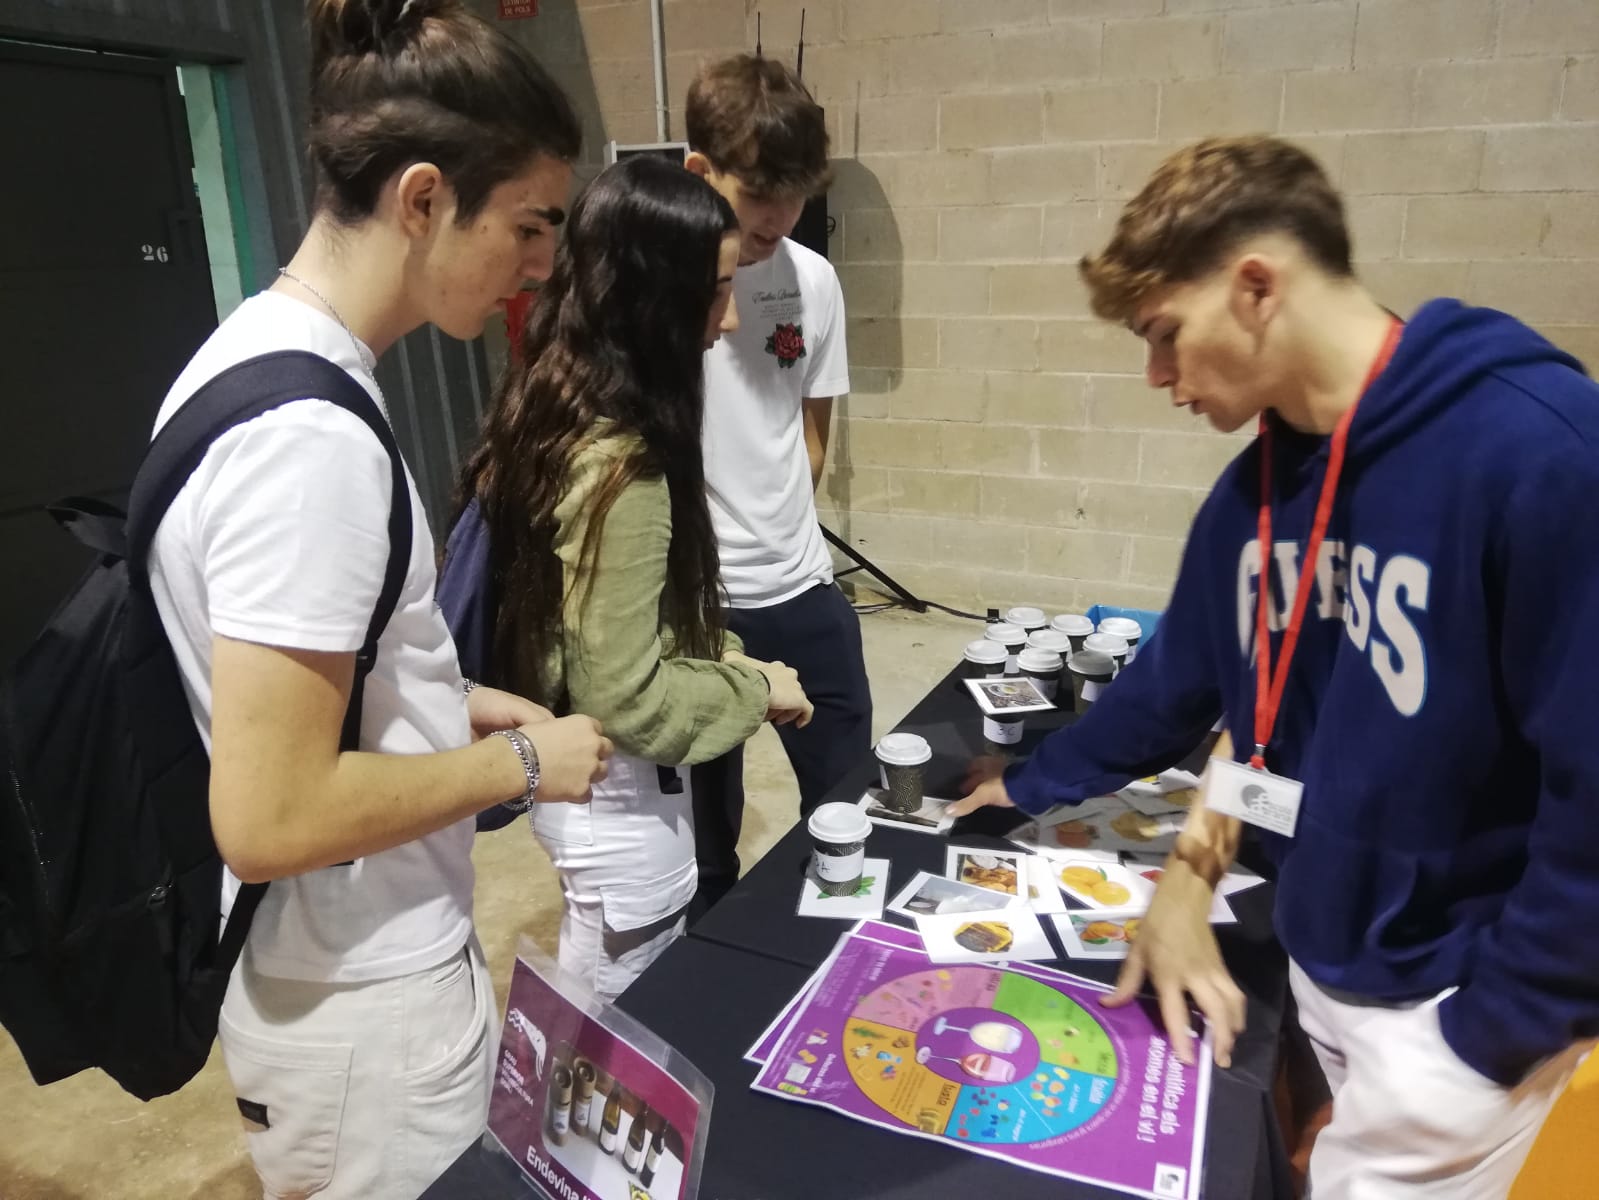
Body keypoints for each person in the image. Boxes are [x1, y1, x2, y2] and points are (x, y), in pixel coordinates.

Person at [952, 135, 1599, 1198]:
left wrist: (1487, 1038)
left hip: (1458, 1002)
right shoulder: (1251, 499)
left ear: (1255, 286)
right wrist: (1028, 783)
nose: (1157, 378)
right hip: (1322, 954)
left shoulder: (1540, 450)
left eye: (1164, 335)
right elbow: (1174, 691)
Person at [146, 3, 611, 1196]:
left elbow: (298, 692)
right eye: (528, 224)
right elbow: (271, 812)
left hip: (338, 983)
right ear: (422, 199)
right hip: (365, 1010)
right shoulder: (308, 442)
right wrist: (522, 765)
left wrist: (442, 698)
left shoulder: (257, 355)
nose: (542, 265)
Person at [459, 156, 813, 1000]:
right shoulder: (624, 467)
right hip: (618, 808)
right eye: (716, 292)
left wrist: (725, 658)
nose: (729, 320)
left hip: (591, 798)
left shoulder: (551, 404)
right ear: (655, 297)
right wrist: (754, 688)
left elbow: (626, 624)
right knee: (606, 1037)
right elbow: (626, 698)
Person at [682, 54, 870, 917]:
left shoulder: (812, 280)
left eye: (795, 196)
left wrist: (780, 519)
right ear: (701, 171)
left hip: (801, 586)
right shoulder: (653, 285)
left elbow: (811, 426)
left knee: (847, 804)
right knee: (700, 843)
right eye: (759, 193)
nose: (778, 217)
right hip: (695, 604)